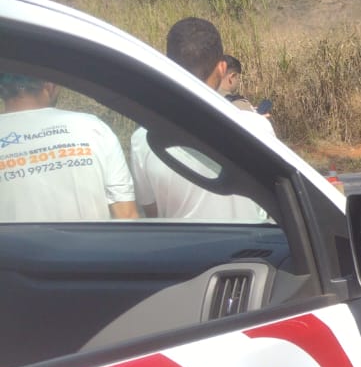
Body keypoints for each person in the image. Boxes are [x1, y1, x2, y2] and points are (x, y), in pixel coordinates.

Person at [129, 17, 278, 220]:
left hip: (183, 251)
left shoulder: (142, 139)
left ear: (168, 68)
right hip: (250, 250)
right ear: (222, 68)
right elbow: (275, 201)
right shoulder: (258, 127)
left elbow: (153, 215)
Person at [0, 74, 139, 221]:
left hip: (14, 244)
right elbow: (126, 215)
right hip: (91, 244)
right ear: (49, 85)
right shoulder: (92, 127)